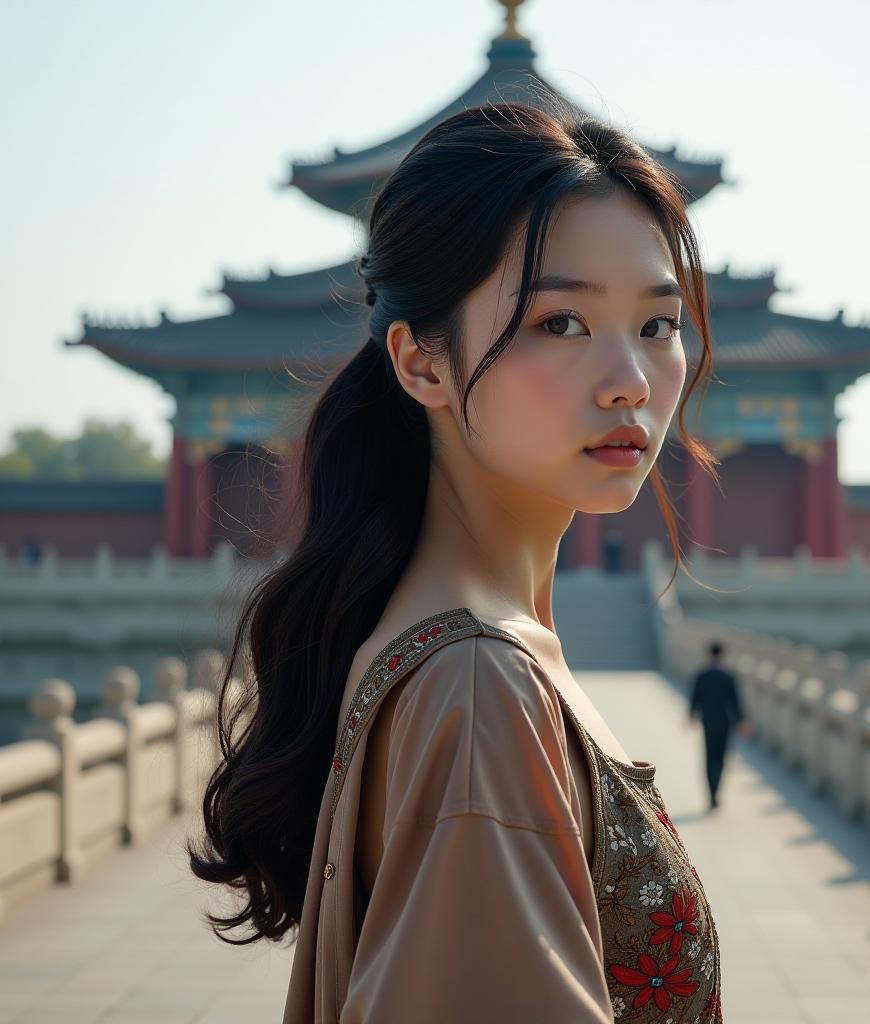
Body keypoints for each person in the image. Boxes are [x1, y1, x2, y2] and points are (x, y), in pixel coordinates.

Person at [188, 98, 725, 1023]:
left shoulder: (463, 653)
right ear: (421, 364)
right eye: (560, 322)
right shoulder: (480, 686)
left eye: (657, 325)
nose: (631, 380)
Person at [688, 641, 751, 811]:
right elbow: (736, 702)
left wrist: (690, 716)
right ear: (722, 656)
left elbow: (695, 698)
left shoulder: (702, 675)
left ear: (709, 655)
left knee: (709, 758)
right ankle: (716, 790)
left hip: (708, 722)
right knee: (721, 759)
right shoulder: (728, 676)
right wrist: (741, 721)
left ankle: (711, 793)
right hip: (724, 723)